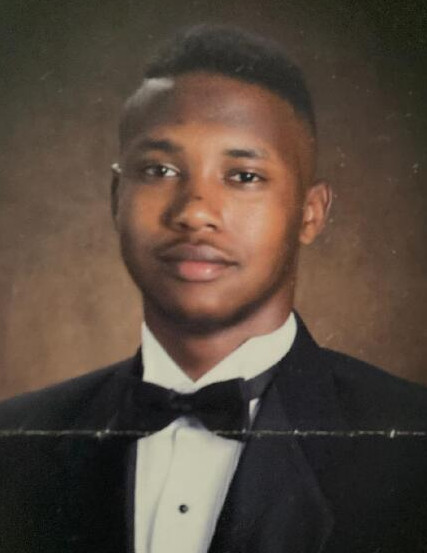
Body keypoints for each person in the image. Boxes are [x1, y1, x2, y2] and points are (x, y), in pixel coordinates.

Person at [0, 24, 426, 553]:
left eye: (243, 176)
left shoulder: (412, 445)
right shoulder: (14, 441)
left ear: (310, 213)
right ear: (116, 198)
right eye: (159, 169)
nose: (194, 212)